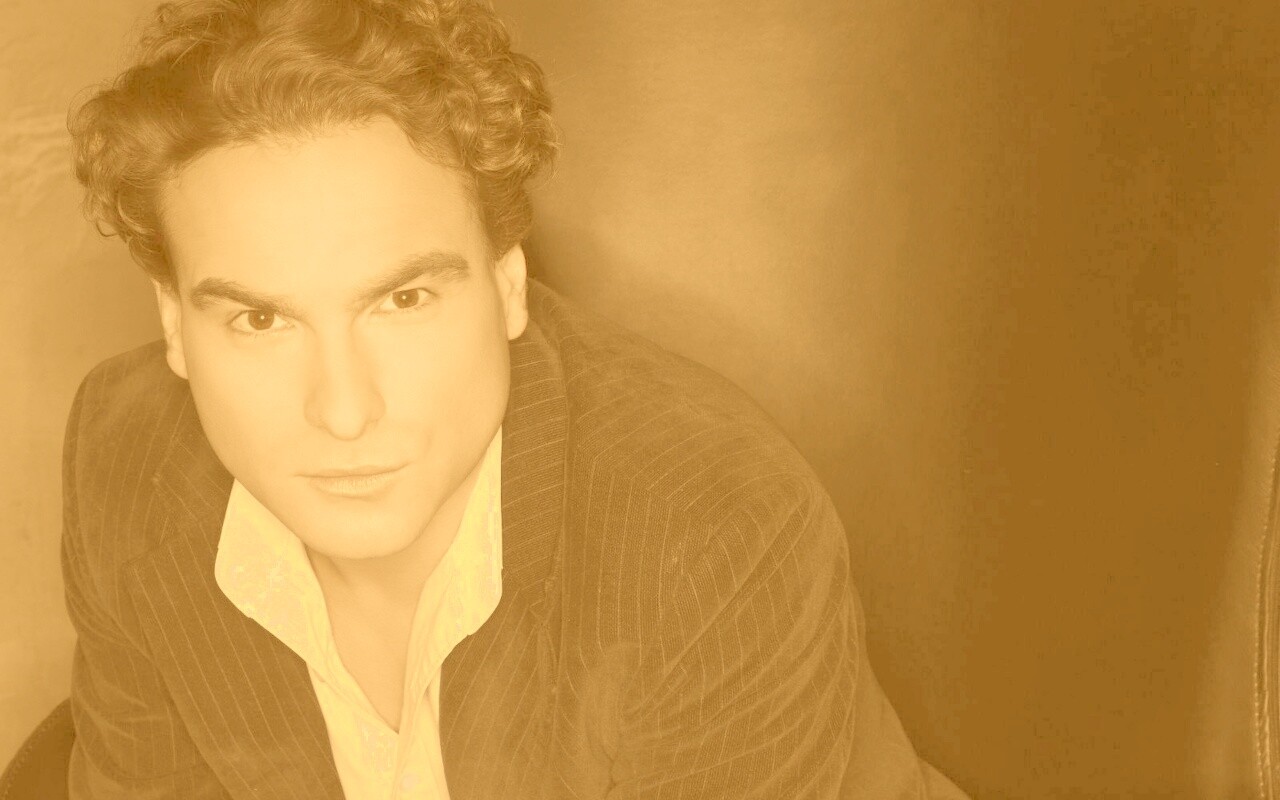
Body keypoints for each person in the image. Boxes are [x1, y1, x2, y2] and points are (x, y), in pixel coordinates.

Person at [60, 0, 968, 797]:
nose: (343, 410)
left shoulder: (710, 533)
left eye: (403, 300)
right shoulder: (123, 457)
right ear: (174, 324)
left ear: (507, 285)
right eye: (261, 320)